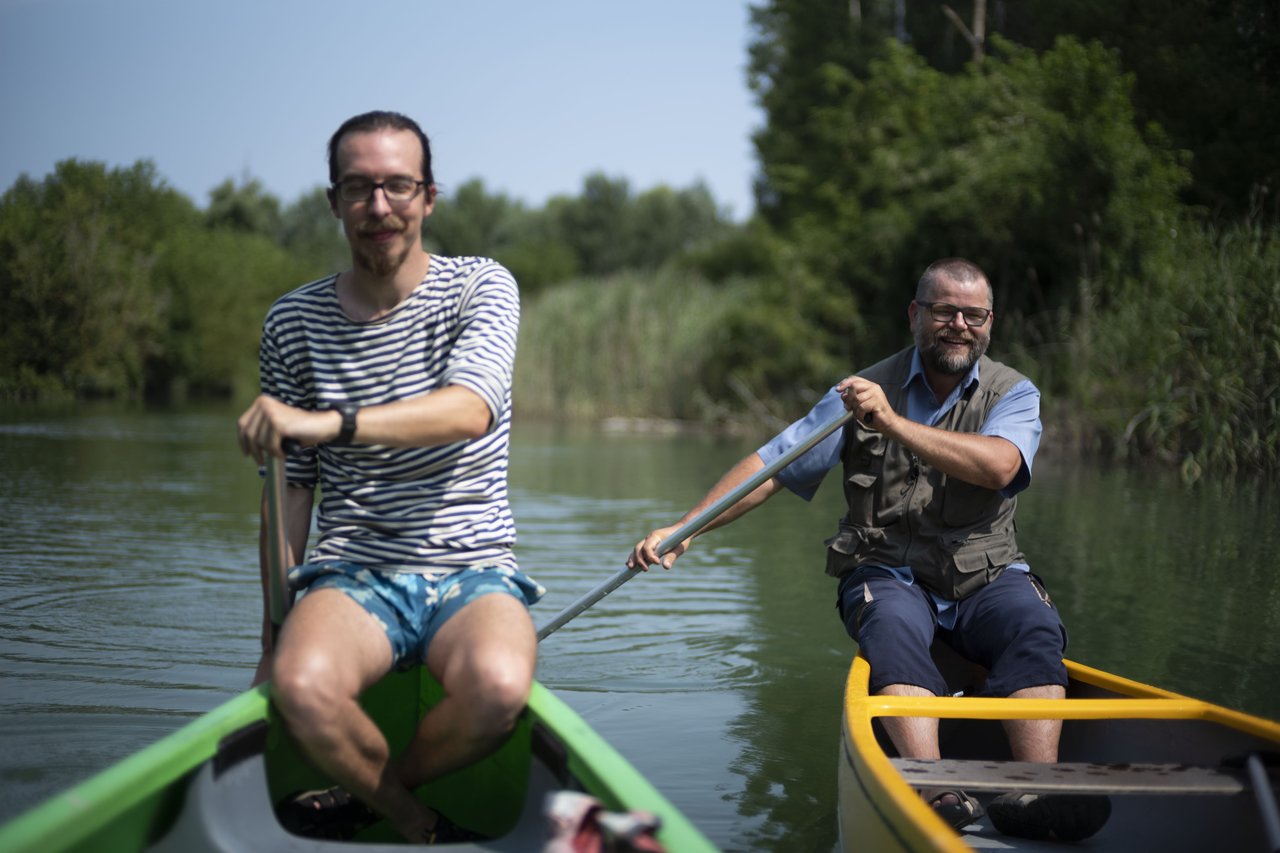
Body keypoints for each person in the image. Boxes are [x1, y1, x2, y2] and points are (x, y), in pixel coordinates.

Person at [628, 258, 1110, 842]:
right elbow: (772, 465)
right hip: (888, 573)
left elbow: (1000, 465)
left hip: (986, 573)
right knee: (892, 626)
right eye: (943, 311)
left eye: (973, 314)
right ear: (915, 316)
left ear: (989, 323)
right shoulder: (859, 390)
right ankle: (936, 791)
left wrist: (892, 421)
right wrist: (683, 531)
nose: (958, 324)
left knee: (1033, 624)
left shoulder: (1014, 392)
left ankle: (1037, 790)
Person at [236, 110, 543, 844]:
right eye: (360, 188)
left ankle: (372, 793)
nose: (380, 207)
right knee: (300, 685)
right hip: (352, 573)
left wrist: (329, 420)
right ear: (333, 200)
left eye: (398, 186)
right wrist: (271, 636)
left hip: (472, 569)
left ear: (428, 197)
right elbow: (290, 489)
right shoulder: (293, 322)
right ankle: (417, 822)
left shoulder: (481, 287)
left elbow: (468, 410)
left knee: (500, 688)